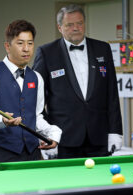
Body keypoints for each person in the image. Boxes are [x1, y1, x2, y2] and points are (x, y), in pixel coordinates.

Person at [33, 4, 123, 159]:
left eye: (79, 23)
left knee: (101, 183)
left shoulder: (103, 49)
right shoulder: (47, 52)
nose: (76, 28)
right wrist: (45, 135)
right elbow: (36, 100)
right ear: (60, 27)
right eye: (69, 25)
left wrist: (115, 131)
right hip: (63, 139)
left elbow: (112, 94)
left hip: (99, 138)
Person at [0, 20, 61, 162]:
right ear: (7, 46)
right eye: (20, 43)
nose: (26, 49)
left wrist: (53, 132)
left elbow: (35, 117)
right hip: (3, 154)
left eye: (30, 43)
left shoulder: (37, 78)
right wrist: (1, 120)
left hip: (33, 153)